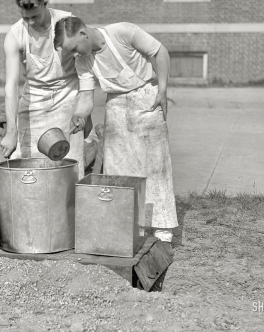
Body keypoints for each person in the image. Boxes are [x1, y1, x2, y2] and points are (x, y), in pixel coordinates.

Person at [54, 16, 178, 243]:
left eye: (73, 48)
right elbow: (86, 95)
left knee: (155, 165)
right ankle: (132, 225)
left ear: (83, 34)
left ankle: (162, 229)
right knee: (119, 170)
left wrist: (162, 90)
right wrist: (79, 115)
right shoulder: (83, 62)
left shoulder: (122, 32)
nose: (73, 54)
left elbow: (161, 53)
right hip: (116, 108)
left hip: (146, 98)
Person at [1, 0, 85, 178]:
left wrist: (84, 111)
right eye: (25, 18)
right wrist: (11, 131)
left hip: (67, 96)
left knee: (68, 166)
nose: (31, 22)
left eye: (35, 16)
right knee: (29, 167)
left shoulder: (67, 23)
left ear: (45, 4)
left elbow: (85, 70)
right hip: (34, 100)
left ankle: (69, 208)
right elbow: (11, 86)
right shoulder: (15, 35)